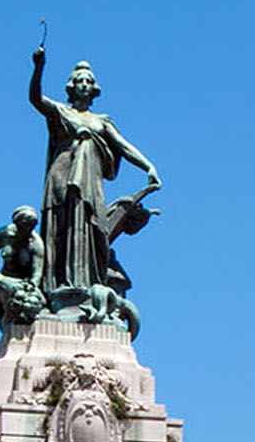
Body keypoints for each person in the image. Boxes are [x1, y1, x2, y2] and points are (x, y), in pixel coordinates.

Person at [29, 45, 159, 297]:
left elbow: (123, 145)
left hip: (90, 181)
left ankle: (86, 285)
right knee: (62, 228)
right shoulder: (60, 111)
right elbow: (35, 98)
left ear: (94, 88)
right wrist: (39, 67)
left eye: (88, 81)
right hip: (61, 177)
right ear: (71, 86)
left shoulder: (102, 121)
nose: (84, 84)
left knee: (91, 227)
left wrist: (148, 166)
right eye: (79, 81)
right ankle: (59, 287)